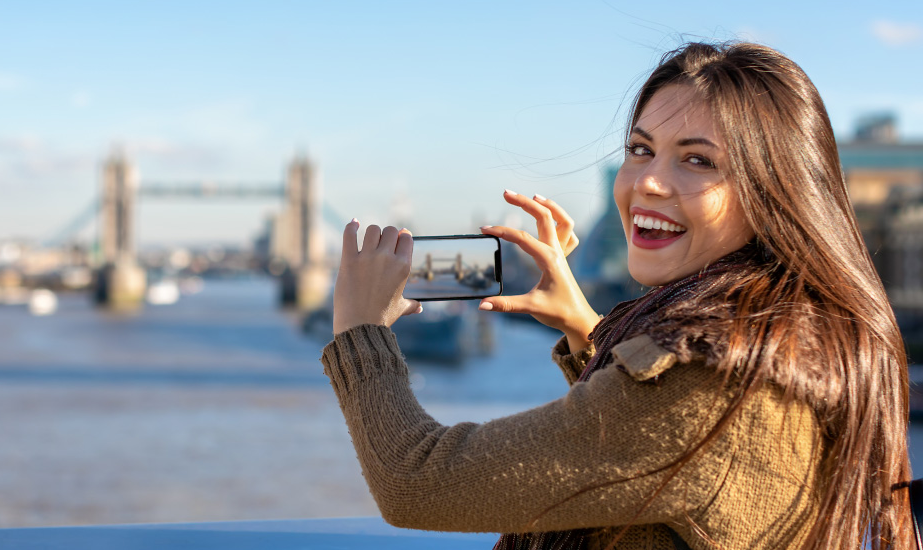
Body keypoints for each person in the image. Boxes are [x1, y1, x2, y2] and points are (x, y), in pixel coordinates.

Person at [323, 41, 913, 549]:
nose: (648, 182)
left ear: (773, 194)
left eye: (697, 160)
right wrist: (589, 329)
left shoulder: (712, 384)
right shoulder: (784, 331)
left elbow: (417, 483)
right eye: (640, 149)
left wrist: (358, 330)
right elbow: (637, 461)